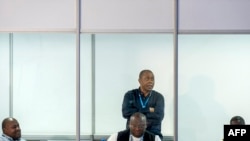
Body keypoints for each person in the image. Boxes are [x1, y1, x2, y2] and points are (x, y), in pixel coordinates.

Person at [122, 69, 165, 140]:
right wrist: (149, 110)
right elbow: (126, 113)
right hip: (132, 135)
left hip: (153, 135)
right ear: (139, 81)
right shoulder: (130, 95)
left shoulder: (158, 97)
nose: (150, 81)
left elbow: (159, 116)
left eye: (152, 79)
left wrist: (136, 113)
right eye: (147, 78)